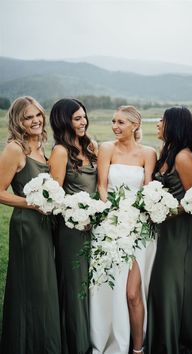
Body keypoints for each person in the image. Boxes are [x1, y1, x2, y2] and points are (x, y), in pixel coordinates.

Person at [90, 105, 157, 354]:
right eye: (113, 121)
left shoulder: (149, 153)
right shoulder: (106, 148)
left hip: (139, 229)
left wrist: (139, 216)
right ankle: (109, 341)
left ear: (135, 126)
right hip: (110, 226)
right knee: (110, 287)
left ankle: (137, 348)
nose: (115, 127)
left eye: (121, 122)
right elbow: (102, 186)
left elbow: (148, 188)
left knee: (132, 293)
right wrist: (112, 218)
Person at [0, 96, 61, 354]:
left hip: (46, 225)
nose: (35, 120)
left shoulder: (42, 146)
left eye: (37, 115)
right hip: (28, 227)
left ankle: (42, 341)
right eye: (28, 117)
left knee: (45, 287)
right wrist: (32, 203)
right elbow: (0, 192)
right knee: (34, 287)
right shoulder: (16, 148)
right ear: (18, 121)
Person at [146, 106, 192, 354]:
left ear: (174, 125)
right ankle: (158, 341)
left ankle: (174, 344)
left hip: (178, 233)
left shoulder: (183, 157)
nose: (158, 123)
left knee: (170, 286)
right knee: (158, 285)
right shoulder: (167, 152)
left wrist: (165, 210)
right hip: (162, 231)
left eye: (162, 120)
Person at [48, 98, 97, 354]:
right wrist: (80, 215)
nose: (83, 122)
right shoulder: (60, 151)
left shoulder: (90, 146)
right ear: (63, 121)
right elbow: (56, 196)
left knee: (92, 285)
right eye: (77, 118)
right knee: (75, 285)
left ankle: (96, 336)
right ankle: (76, 344)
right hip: (72, 230)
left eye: (84, 116)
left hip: (95, 228)